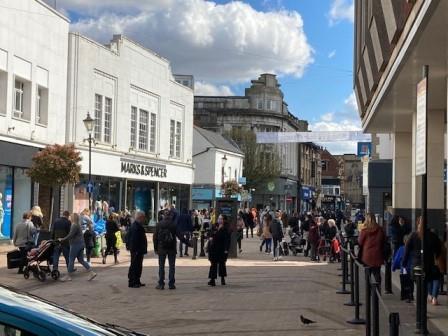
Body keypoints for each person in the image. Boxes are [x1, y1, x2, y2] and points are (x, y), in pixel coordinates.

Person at [403, 217, 442, 305]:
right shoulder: (432, 236)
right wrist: (434, 257)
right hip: (428, 265)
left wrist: (404, 264)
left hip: (416, 265)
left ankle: (419, 308)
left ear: (417, 223)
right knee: (424, 287)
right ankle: (422, 308)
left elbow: (406, 251)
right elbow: (438, 250)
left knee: (419, 286)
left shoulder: (413, 235)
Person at [59, 211, 97, 282]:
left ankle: (68, 276)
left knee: (71, 259)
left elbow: (70, 235)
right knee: (81, 260)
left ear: (73, 218)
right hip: (81, 244)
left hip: (75, 244)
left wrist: (62, 239)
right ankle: (91, 272)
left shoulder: (74, 225)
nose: (70, 217)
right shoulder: (78, 225)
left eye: (71, 216)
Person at [358, 213, 386, 286]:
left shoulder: (364, 230)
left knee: (368, 275)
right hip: (378, 254)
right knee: (377, 274)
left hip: (367, 255)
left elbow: (360, 242)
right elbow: (384, 240)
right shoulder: (380, 229)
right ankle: (377, 292)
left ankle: (369, 292)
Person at [153, 209, 177, 290]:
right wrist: (188, 243)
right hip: (172, 248)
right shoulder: (173, 224)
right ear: (170, 216)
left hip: (161, 248)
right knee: (172, 266)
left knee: (161, 266)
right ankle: (171, 284)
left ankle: (161, 284)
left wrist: (155, 248)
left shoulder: (159, 224)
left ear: (164, 215)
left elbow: (155, 237)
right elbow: (180, 235)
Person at [208, 214, 231, 286]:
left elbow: (227, 240)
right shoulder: (215, 226)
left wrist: (226, 249)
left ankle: (222, 279)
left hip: (221, 249)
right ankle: (212, 280)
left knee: (222, 264)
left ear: (224, 220)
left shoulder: (226, 229)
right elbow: (210, 233)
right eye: (219, 218)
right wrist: (210, 236)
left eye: (221, 219)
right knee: (213, 264)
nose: (219, 220)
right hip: (214, 248)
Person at [127, 211, 148, 288]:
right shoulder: (135, 227)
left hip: (139, 250)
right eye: (143, 217)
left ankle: (137, 280)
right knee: (134, 265)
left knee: (138, 265)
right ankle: (132, 282)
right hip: (136, 250)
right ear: (140, 217)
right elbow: (133, 239)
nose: (144, 219)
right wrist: (135, 249)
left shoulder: (138, 226)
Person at [392, 234, 413, 302]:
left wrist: (394, 268)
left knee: (403, 283)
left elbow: (397, 259)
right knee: (411, 282)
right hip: (411, 268)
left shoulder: (401, 249)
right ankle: (410, 295)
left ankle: (404, 296)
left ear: (404, 241)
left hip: (404, 269)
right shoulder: (413, 249)